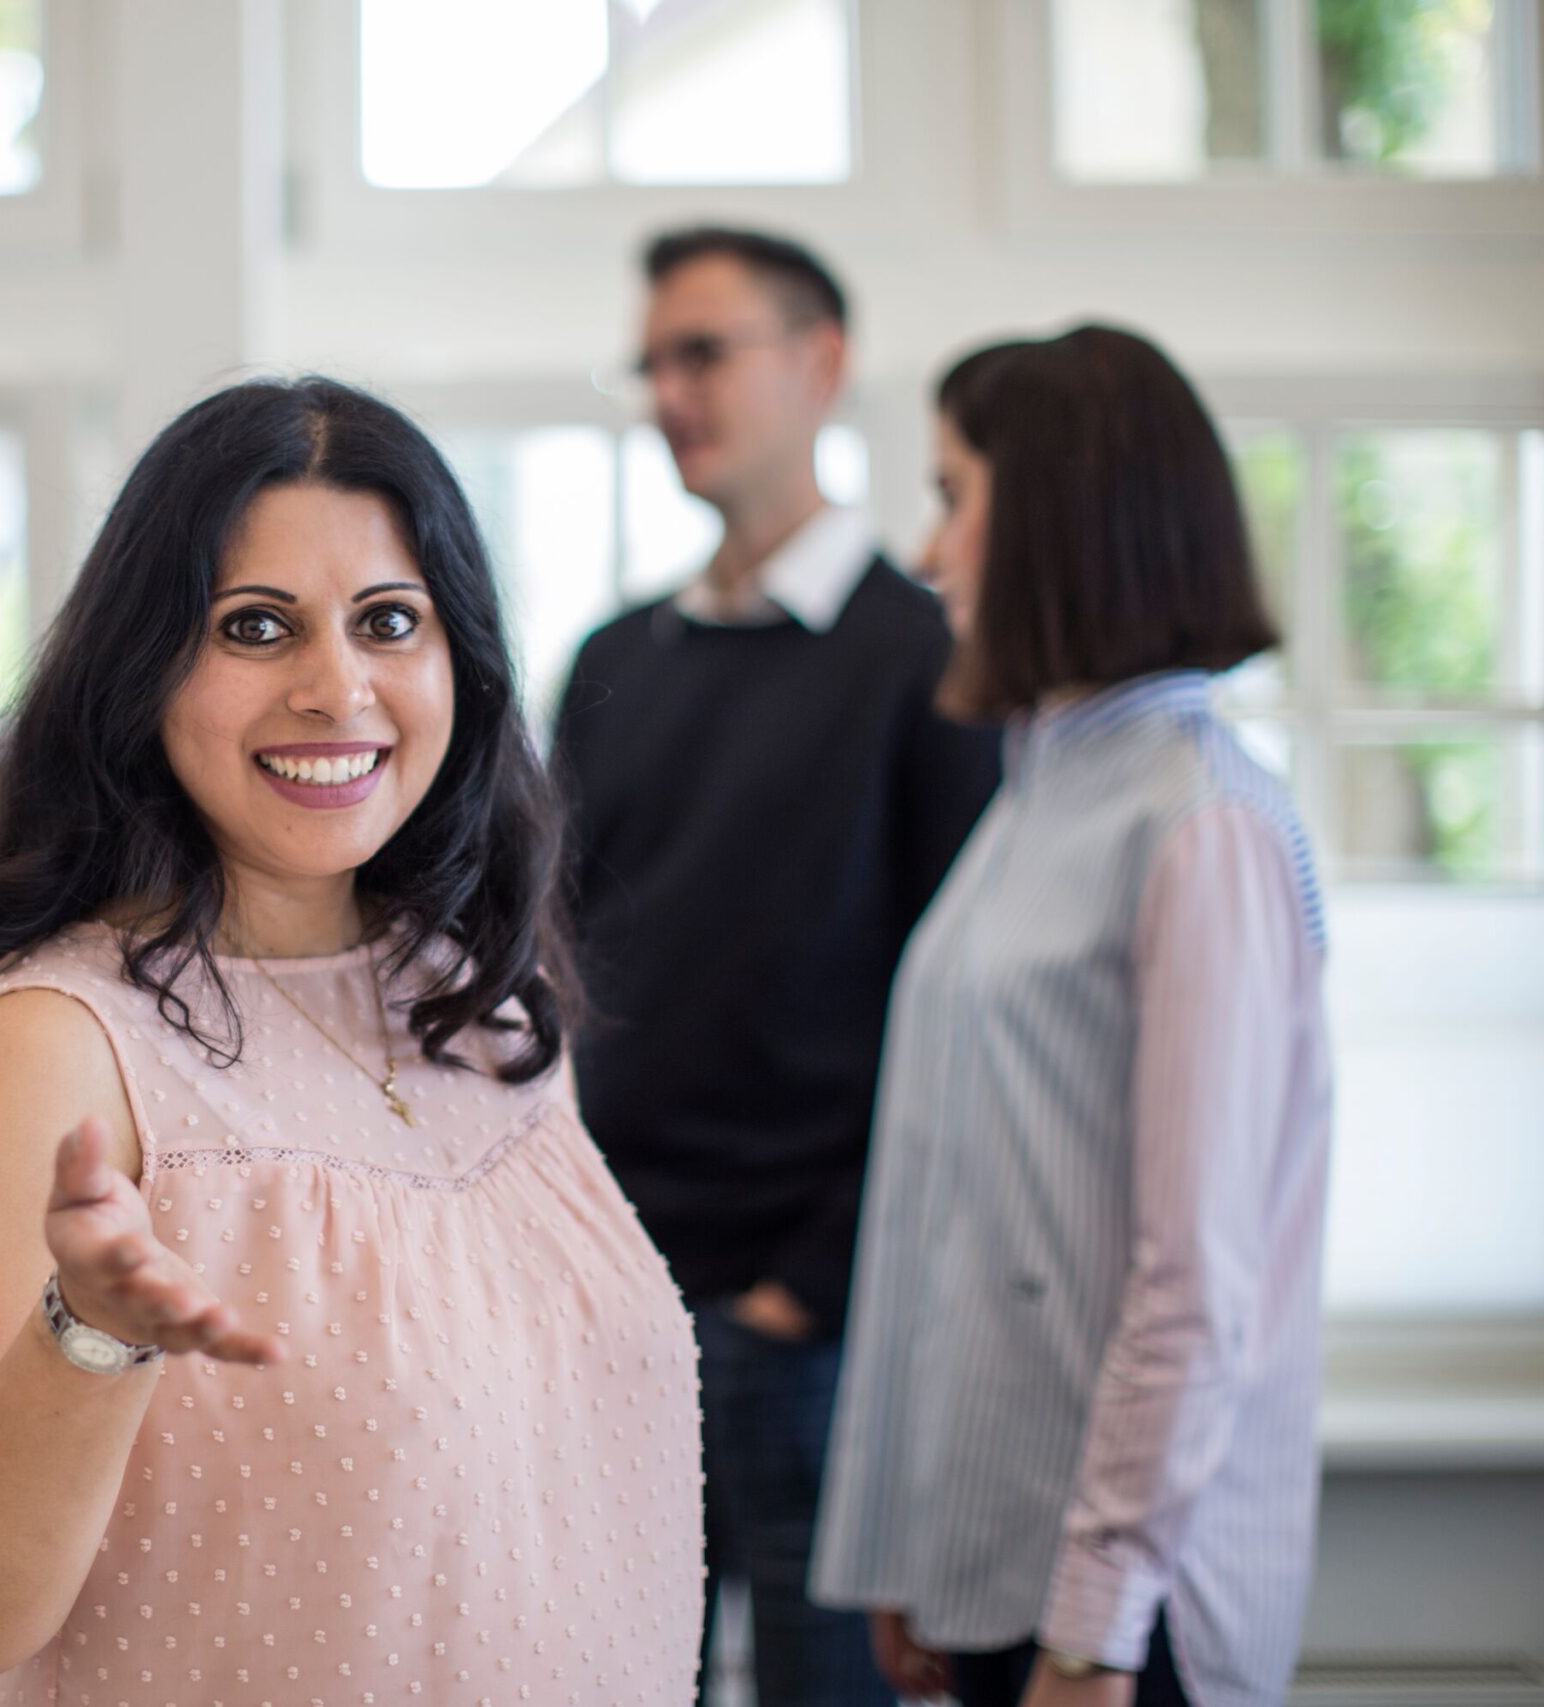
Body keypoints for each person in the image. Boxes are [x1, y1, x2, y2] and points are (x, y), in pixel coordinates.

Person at [0, 377, 705, 1702]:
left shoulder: (486, 1006)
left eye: (389, 622)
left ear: (461, 664)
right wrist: (88, 1333)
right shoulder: (50, 1050)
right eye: (256, 626)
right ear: (144, 670)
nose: (336, 686)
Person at [811, 325, 1332, 1707]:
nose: (929, 552)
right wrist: (906, 1548)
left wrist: (1094, 1628)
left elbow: (1195, 1282)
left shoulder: (1204, 821)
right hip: (999, 1566)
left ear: (1054, 516)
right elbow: (940, 1211)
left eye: (951, 495)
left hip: (1129, 1617)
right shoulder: (1034, 796)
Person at [552, 224, 1000, 1705]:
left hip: (814, 1329)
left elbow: (969, 1027)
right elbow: (544, 982)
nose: (671, 390)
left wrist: (812, 1285)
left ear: (822, 365)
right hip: (611, 1310)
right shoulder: (615, 660)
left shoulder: (928, 659)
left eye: (706, 351)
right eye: (654, 362)